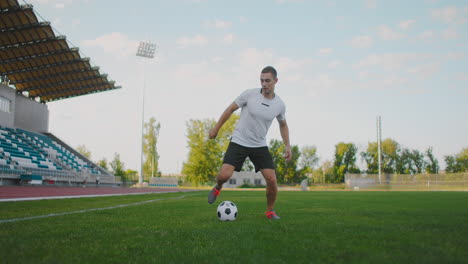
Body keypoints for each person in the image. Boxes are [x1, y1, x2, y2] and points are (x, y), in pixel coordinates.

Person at [208, 66, 291, 220]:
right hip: (239, 140)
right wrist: (216, 128)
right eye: (262, 80)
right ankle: (218, 187)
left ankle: (270, 211)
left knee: (272, 180)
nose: (264, 84)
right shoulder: (249, 94)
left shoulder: (279, 104)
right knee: (224, 175)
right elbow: (230, 109)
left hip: (259, 145)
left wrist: (288, 146)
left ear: (275, 81)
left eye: (267, 81)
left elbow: (283, 125)